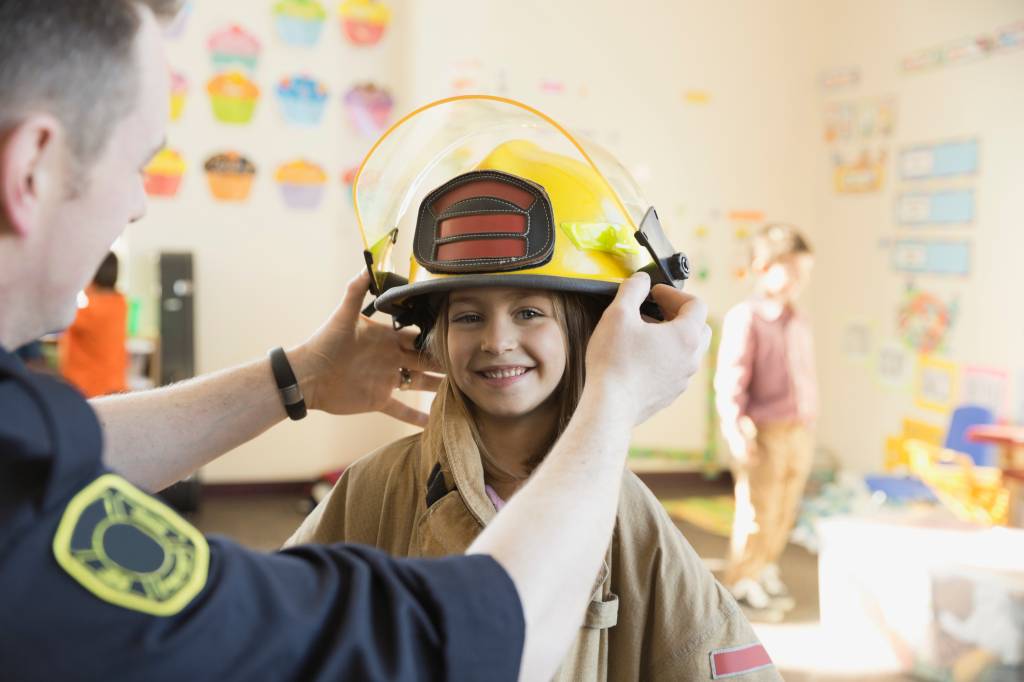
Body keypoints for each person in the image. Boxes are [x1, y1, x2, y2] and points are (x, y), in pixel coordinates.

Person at [0, 2, 714, 679]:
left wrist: (300, 376)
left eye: (530, 312)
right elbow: (452, 643)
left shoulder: (19, 439)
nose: (138, 206)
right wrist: (614, 404)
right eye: (137, 163)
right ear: (31, 165)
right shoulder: (377, 487)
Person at [287, 136, 778, 680]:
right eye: (468, 316)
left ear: (588, 330)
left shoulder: (623, 510)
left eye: (528, 313)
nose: (497, 341)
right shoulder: (375, 487)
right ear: (436, 338)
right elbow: (275, 636)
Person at [715, 223, 818, 612]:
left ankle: (764, 566)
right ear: (762, 267)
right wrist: (736, 430)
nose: (799, 281)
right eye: (791, 270)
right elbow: (731, 381)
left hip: (798, 429)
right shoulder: (747, 318)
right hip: (764, 430)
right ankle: (742, 578)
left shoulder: (798, 319)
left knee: (785, 508)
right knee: (759, 509)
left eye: (804, 272)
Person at [59, 251, 129, 397]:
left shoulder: (89, 313)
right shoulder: (120, 303)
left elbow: (58, 318)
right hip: (115, 386)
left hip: (89, 391)